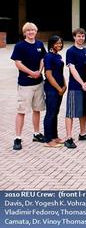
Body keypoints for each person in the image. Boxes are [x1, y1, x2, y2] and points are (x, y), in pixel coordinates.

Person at [11, 22, 46, 150]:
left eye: (33, 30)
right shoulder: (20, 46)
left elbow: (43, 58)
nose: (31, 32)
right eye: (28, 30)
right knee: (22, 111)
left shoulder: (39, 44)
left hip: (38, 83)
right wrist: (31, 72)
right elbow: (18, 63)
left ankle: (36, 133)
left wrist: (39, 71)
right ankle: (18, 137)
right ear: (25, 32)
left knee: (37, 109)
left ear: (36, 32)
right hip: (25, 84)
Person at [64, 28, 86, 149]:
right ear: (74, 37)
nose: (81, 38)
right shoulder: (70, 51)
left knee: (83, 111)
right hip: (75, 86)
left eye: (82, 36)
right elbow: (72, 69)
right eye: (78, 36)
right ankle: (68, 137)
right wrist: (82, 83)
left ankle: (83, 133)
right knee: (70, 112)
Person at [42, 35, 66, 148]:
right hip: (52, 89)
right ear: (51, 44)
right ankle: (48, 139)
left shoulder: (58, 56)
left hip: (60, 88)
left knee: (55, 113)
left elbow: (60, 73)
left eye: (60, 43)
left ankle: (55, 136)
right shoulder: (48, 56)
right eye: (56, 43)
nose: (59, 45)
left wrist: (65, 85)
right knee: (50, 113)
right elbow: (49, 75)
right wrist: (58, 88)